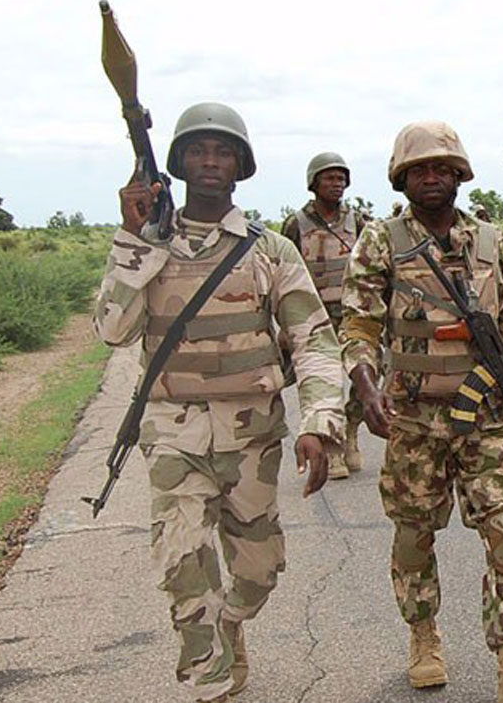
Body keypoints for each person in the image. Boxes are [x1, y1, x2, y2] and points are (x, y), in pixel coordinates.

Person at [93, 102, 346, 703]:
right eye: (199, 150)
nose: (210, 160)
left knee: (259, 574)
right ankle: (210, 681)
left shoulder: (268, 252)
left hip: (252, 438)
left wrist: (319, 420)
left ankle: (232, 623)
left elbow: (313, 341)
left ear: (240, 166)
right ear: (178, 163)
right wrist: (133, 237)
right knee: (184, 564)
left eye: (223, 150)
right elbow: (111, 330)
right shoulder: (149, 244)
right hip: (173, 436)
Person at [340, 120, 503, 703]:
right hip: (414, 418)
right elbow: (360, 324)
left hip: (488, 419)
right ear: (401, 178)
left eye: (442, 168)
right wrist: (367, 385)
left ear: (460, 175)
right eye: (419, 168)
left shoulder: (492, 243)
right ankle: (423, 636)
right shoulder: (380, 241)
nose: (431, 177)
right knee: (414, 535)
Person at [282, 152, 370, 480]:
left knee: (368, 376)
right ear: (314, 183)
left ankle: (350, 427)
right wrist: (282, 325)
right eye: (330, 178)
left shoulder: (358, 222)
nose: (337, 184)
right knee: (327, 384)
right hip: (313, 319)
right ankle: (333, 450)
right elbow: (282, 273)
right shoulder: (296, 224)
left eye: (341, 178)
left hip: (353, 314)